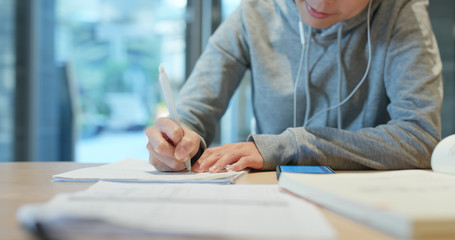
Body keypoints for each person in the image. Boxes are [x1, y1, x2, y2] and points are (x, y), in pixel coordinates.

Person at [145, 0, 443, 173]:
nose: (321, 3)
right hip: (270, 199)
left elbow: (419, 137)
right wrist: (175, 140)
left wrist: (290, 146)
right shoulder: (255, 12)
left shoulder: (401, 14)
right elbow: (195, 110)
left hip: (369, 202)